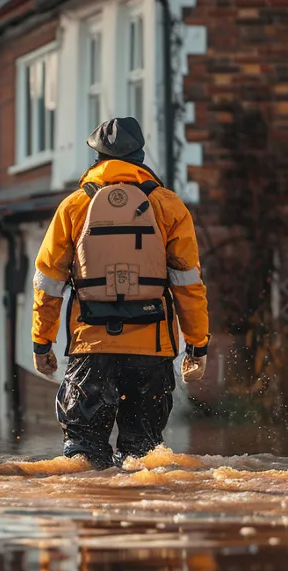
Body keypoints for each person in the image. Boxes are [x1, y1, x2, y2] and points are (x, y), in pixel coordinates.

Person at [31, 117, 210, 468]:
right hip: (152, 349)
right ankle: (141, 521)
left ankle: (94, 520)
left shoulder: (73, 207)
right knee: (143, 457)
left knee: (83, 458)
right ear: (141, 156)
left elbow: (48, 285)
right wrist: (197, 346)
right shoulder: (169, 206)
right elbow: (188, 286)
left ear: (97, 159)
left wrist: (42, 343)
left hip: (90, 347)